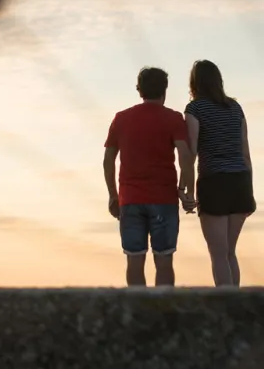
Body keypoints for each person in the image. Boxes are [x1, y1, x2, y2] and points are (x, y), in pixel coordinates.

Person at [104, 67, 195, 287]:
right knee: (164, 261)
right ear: (164, 89)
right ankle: (161, 316)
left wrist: (113, 196)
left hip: (130, 199)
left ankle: (137, 316)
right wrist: (188, 193)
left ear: (139, 90)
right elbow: (186, 156)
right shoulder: (173, 118)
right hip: (163, 199)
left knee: (134, 261)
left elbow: (108, 160)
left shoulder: (121, 118)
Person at [185, 59, 255, 287]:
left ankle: (226, 308)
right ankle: (237, 310)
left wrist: (185, 188)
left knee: (218, 254)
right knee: (230, 253)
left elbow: (192, 151)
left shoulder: (195, 109)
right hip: (240, 182)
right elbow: (245, 151)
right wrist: (250, 192)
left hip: (214, 182)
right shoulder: (235, 108)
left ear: (195, 83)